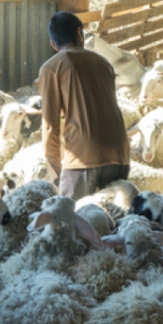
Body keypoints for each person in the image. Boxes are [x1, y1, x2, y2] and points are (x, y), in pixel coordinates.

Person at [38, 11, 131, 199]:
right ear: (80, 34)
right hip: (120, 154)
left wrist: (56, 172)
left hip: (83, 159)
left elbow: (50, 125)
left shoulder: (51, 68)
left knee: (74, 220)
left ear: (53, 44)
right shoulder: (104, 63)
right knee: (115, 221)